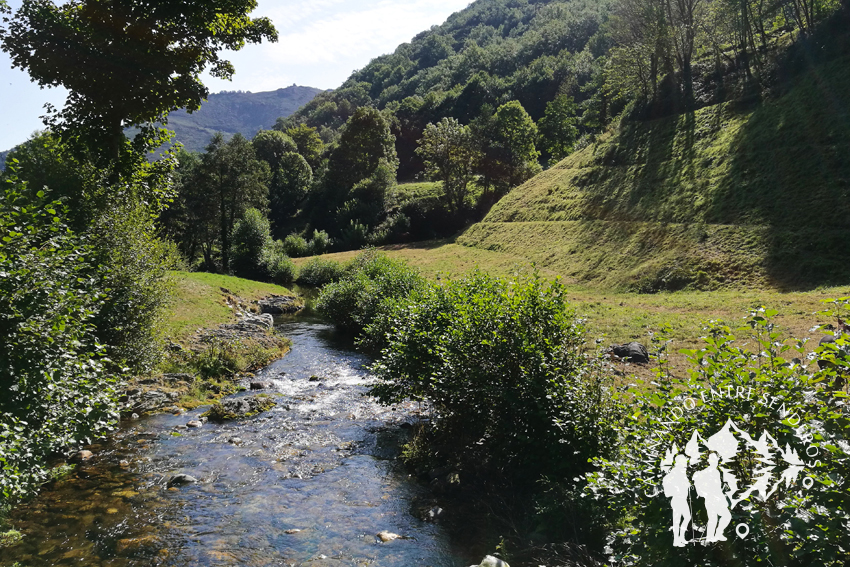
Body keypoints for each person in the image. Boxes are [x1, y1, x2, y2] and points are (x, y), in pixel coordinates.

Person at [692, 452, 732, 543]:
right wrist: (696, 476)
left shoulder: (716, 472)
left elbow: (718, 488)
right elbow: (699, 481)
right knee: (713, 518)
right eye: (713, 460)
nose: (715, 462)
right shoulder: (706, 472)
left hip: (718, 497)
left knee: (726, 516)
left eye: (716, 460)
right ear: (709, 461)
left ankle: (718, 533)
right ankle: (711, 536)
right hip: (710, 498)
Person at [662, 453, 692, 547]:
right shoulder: (675, 472)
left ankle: (681, 538)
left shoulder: (682, 472)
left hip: (682, 498)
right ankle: (677, 540)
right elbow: (671, 482)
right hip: (677, 499)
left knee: (686, 517)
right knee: (677, 520)